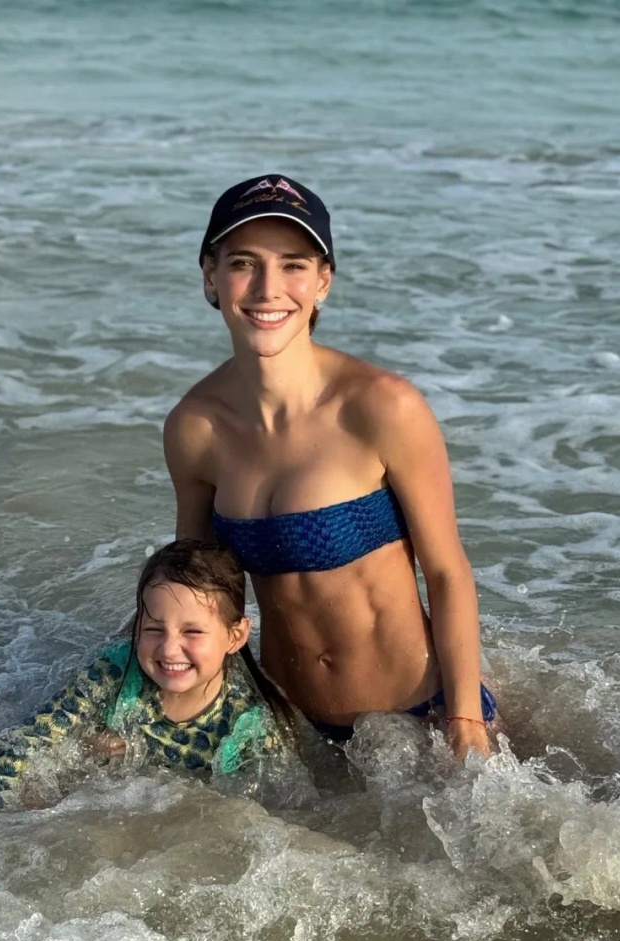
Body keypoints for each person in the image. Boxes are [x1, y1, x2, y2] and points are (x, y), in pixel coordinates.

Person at [164, 174, 497, 759]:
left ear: (322, 281)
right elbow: (195, 593)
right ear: (210, 276)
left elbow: (447, 573)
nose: (268, 288)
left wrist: (465, 720)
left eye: (293, 265)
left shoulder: (381, 406)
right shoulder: (195, 428)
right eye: (244, 263)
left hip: (419, 720)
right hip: (286, 730)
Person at [0, 540, 299, 809]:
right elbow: (26, 742)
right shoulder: (115, 672)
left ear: (235, 636)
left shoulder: (245, 726)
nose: (169, 649)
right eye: (154, 629)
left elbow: (253, 815)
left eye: (192, 632)